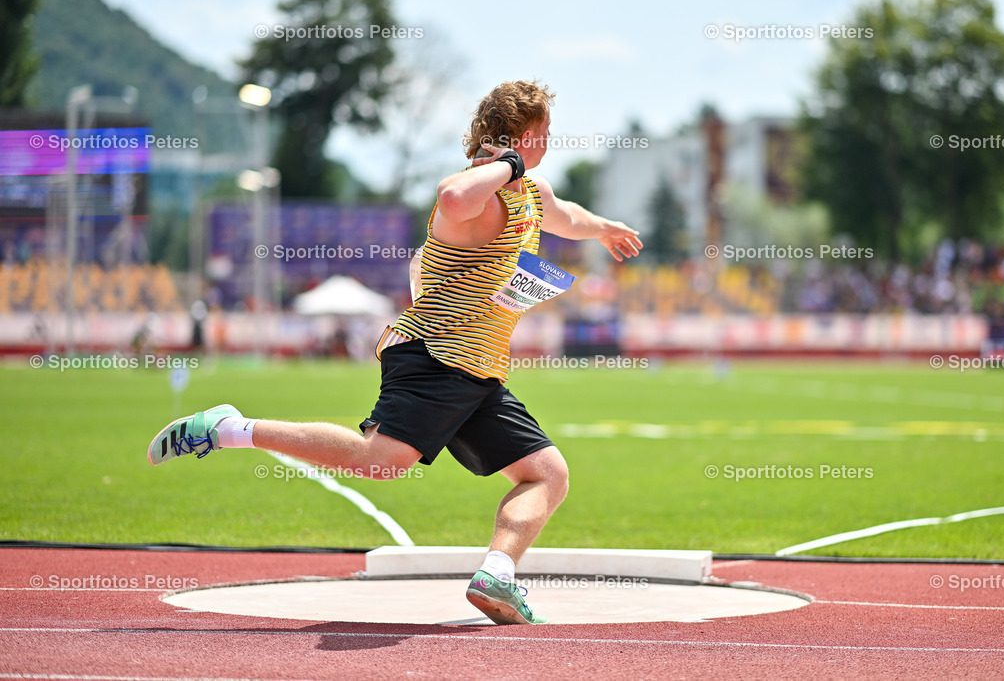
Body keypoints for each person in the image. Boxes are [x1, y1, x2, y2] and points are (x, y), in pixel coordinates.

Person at [147, 80, 642, 625]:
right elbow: (454, 198)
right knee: (379, 462)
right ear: (525, 137)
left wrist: (603, 230)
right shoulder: (475, 190)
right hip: (433, 354)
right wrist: (509, 165)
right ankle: (228, 427)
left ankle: (497, 575)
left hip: (479, 370)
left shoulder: (530, 192)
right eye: (543, 136)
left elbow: (564, 214)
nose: (548, 145)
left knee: (547, 473)